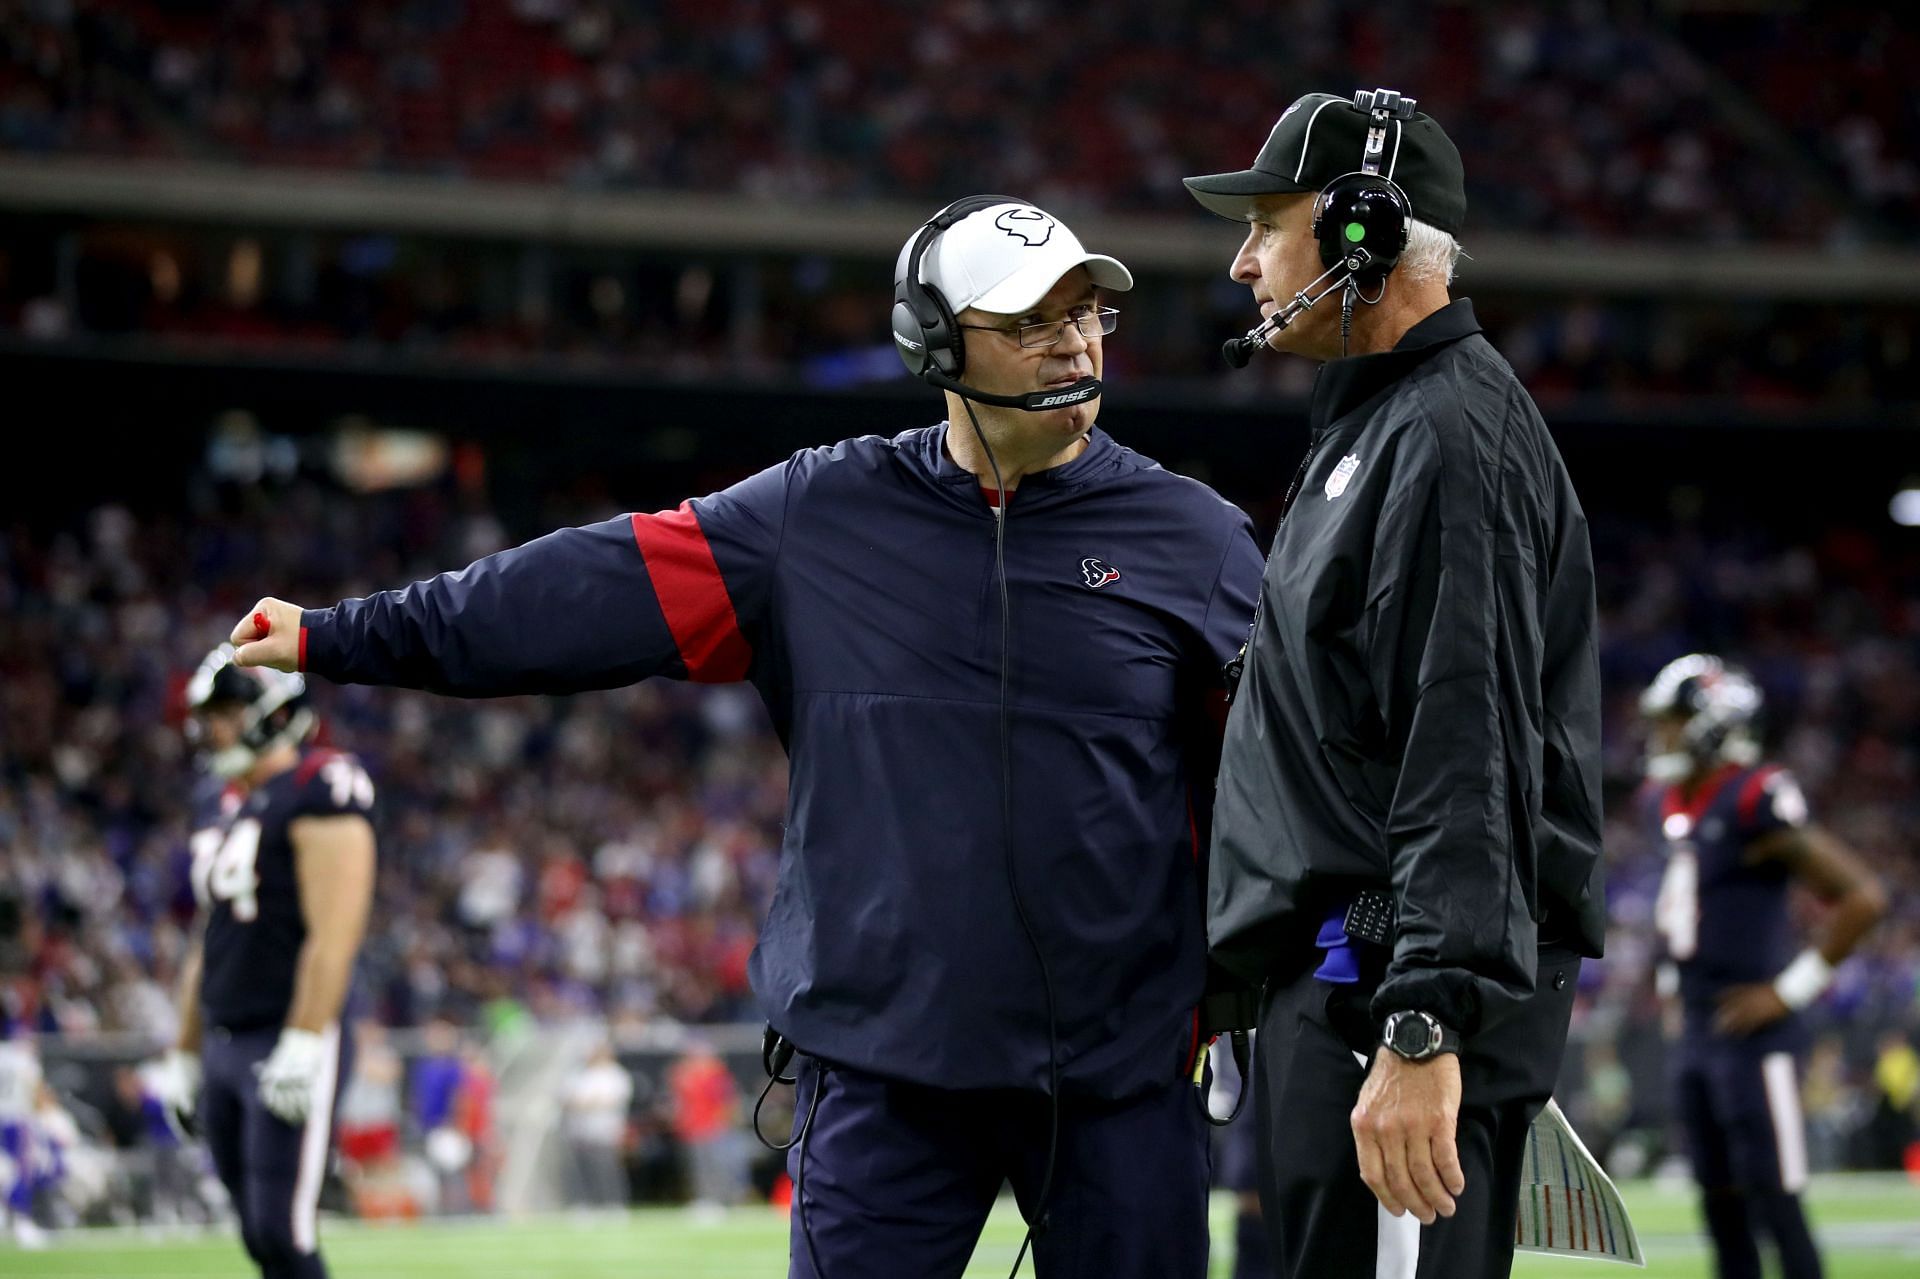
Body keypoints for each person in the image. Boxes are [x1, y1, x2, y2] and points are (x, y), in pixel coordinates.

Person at [226, 193, 1265, 1279]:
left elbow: (1295, 772)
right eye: (1033, 322)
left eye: (1088, 314)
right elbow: (576, 591)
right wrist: (341, 636)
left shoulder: (1194, 538)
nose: (1076, 344)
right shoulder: (819, 517)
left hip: (1119, 1081)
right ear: (939, 343)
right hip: (883, 1074)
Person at [1186, 87, 1607, 1279]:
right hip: (1347, 987)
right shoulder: (1384, 424)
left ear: (1359, 232)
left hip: (1387, 999)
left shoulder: (1444, 440)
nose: (1241, 264)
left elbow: (1466, 746)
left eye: (1267, 226)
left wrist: (1424, 1018)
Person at [1641, 653, 1887, 1279]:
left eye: (1672, 721)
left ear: (1711, 724)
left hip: (1755, 1035)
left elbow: (1863, 897)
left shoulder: (1754, 795)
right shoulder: (1675, 801)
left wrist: (1788, 992)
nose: (1660, 735)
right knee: (1717, 1202)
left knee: (1776, 1197)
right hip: (1699, 1028)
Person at [143, 645, 376, 1279]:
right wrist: (184, 1050)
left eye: (226, 711)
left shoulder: (319, 785)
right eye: (207, 714)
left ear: (274, 712)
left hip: (283, 1031)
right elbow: (207, 941)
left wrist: (304, 1038)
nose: (211, 728)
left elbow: (336, 931)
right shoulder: (221, 807)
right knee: (254, 1233)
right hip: (225, 1034)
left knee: (283, 1230)